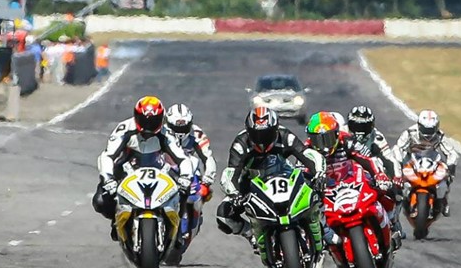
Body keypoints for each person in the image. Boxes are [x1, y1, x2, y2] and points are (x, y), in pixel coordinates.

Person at [216, 106, 327, 255]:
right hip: (251, 184)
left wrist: (319, 174)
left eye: (266, 134)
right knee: (223, 214)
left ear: (275, 129)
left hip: (285, 177)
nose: (261, 141)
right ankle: (251, 235)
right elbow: (230, 174)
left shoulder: (285, 135)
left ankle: (318, 227)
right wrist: (235, 194)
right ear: (249, 132)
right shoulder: (240, 144)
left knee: (316, 189)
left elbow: (307, 155)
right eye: (256, 135)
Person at [92, 96, 197, 241]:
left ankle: (177, 227)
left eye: (153, 121)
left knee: (185, 190)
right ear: (136, 116)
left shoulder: (167, 133)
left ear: (161, 118)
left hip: (160, 170)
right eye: (145, 120)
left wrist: (186, 177)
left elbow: (183, 158)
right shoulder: (124, 129)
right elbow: (107, 156)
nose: (148, 125)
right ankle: (116, 220)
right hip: (126, 170)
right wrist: (108, 178)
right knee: (100, 201)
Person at [307, 111, 402, 248]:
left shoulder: (347, 139)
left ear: (336, 133)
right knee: (308, 208)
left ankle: (392, 222)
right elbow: (300, 171)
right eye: (318, 140)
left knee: (387, 189)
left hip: (351, 179)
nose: (323, 145)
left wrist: (380, 175)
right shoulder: (306, 149)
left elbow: (368, 159)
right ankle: (320, 240)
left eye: (327, 139)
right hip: (326, 189)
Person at [393, 109, 461, 217]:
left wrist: (451, 169)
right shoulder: (409, 132)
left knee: (446, 177)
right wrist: (399, 165)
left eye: (430, 130)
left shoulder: (439, 135)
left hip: (432, 159)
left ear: (436, 127)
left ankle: (443, 199)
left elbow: (452, 153)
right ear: (419, 125)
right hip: (411, 159)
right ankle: (398, 206)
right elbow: (398, 148)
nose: (427, 133)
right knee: (396, 186)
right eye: (425, 129)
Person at [165, 103, 217, 197]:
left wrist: (208, 178)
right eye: (176, 127)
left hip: (191, 173)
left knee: (204, 193)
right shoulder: (162, 132)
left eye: (184, 127)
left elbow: (208, 156)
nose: (180, 131)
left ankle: (194, 209)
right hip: (166, 170)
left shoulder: (197, 133)